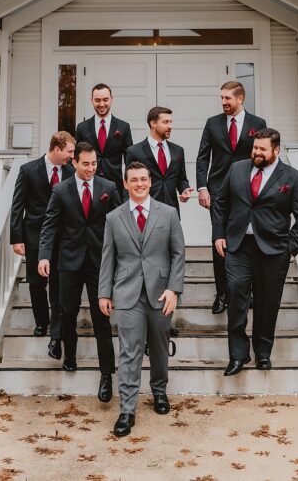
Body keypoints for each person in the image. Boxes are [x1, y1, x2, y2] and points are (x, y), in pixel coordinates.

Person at [212, 128, 298, 375]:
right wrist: (219, 234)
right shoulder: (237, 169)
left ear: (276, 150)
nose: (256, 152)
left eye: (262, 149)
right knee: (236, 298)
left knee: (268, 303)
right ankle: (238, 355)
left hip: (273, 250)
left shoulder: (293, 178)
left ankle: (263, 353)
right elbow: (221, 203)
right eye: (255, 148)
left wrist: (290, 248)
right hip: (238, 247)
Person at [99, 161, 185, 437]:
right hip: (126, 292)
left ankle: (159, 391)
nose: (139, 184)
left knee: (159, 346)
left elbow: (178, 254)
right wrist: (104, 292)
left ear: (150, 182)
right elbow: (107, 258)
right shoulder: (114, 218)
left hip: (161, 292)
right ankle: (127, 410)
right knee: (129, 350)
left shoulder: (169, 214)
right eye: (133, 180)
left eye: (143, 179)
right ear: (125, 184)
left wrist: (174, 289)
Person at [38, 142, 121, 401]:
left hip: (99, 263)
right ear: (74, 163)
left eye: (94, 163)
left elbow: (121, 221)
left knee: (101, 319)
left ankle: (106, 375)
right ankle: (70, 355)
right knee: (67, 312)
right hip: (69, 262)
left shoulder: (109, 188)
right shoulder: (61, 190)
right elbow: (49, 225)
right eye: (85, 164)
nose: (90, 168)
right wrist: (43, 256)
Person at [196, 81, 267, 314]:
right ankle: (223, 293)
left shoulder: (257, 124)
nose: (224, 102)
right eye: (222, 98)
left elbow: (262, 157)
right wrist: (202, 188)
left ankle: (250, 292)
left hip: (246, 190)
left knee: (248, 239)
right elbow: (202, 158)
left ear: (240, 98)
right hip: (217, 190)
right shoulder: (212, 123)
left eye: (228, 98)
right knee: (219, 240)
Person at [9, 130, 75, 358]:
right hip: (34, 236)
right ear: (57, 149)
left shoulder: (70, 172)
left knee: (57, 286)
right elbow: (18, 205)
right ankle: (41, 321)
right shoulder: (28, 171)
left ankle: (56, 333)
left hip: (61, 237)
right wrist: (16, 238)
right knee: (37, 283)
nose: (71, 156)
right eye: (69, 151)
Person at [125, 106, 193, 212]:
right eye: (165, 122)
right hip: (145, 211)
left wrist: (184, 189)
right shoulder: (134, 151)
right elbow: (129, 184)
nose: (170, 126)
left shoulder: (178, 150)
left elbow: (182, 179)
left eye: (171, 122)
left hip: (171, 211)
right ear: (153, 124)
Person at [75, 83, 133, 196]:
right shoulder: (82, 127)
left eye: (105, 100)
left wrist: (128, 188)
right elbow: (75, 157)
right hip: (88, 185)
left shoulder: (123, 127)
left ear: (111, 99)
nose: (102, 104)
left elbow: (129, 160)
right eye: (97, 100)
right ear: (91, 100)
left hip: (115, 185)